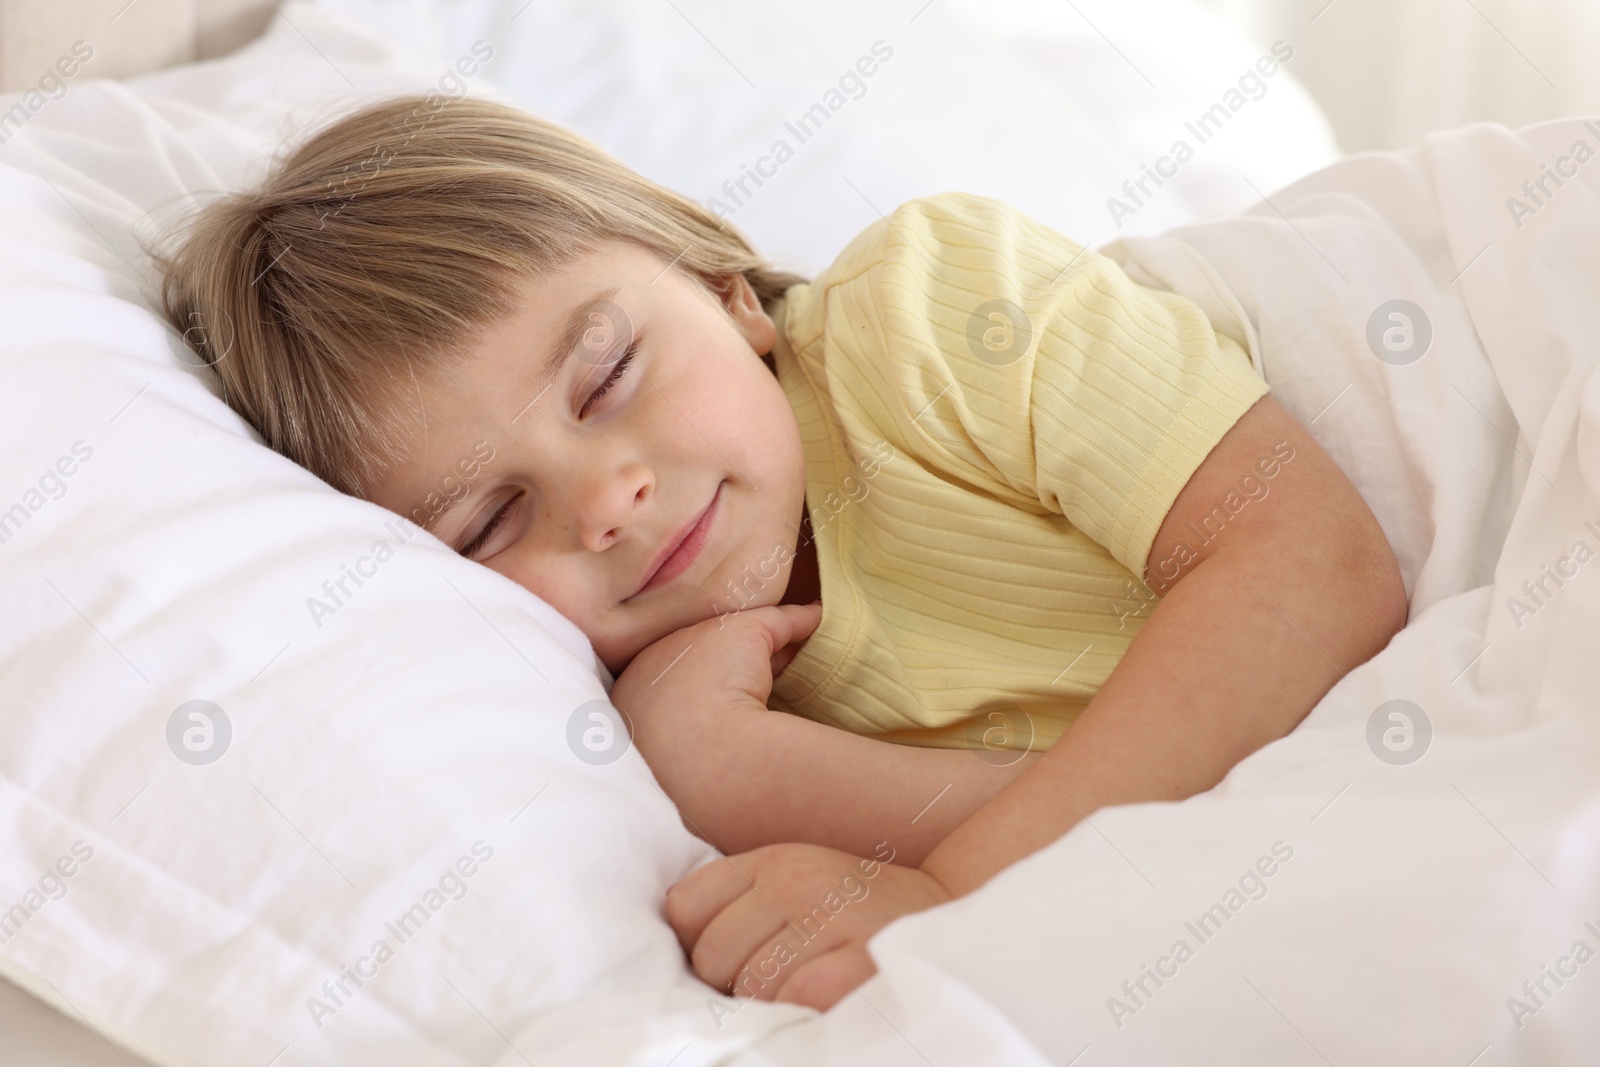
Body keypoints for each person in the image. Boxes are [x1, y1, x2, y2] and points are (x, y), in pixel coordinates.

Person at [148, 93, 1408, 1013]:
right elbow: (1159, 800)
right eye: (487, 521)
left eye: (608, 374)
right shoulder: (651, 717)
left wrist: (945, 885)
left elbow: (1309, 563)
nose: (607, 499)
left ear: (723, 286)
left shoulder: (925, 316)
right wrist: (734, 770)